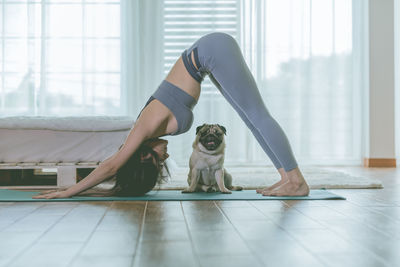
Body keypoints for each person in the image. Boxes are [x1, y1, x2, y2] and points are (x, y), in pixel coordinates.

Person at [33, 32, 309, 199]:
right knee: (251, 119)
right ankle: (286, 178)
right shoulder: (151, 130)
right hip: (206, 60)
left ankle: (296, 181)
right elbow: (115, 177)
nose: (165, 157)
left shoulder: (143, 127)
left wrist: (70, 190)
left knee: (257, 115)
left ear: (143, 155)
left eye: (157, 161)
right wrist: (95, 192)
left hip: (211, 52)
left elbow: (112, 165)